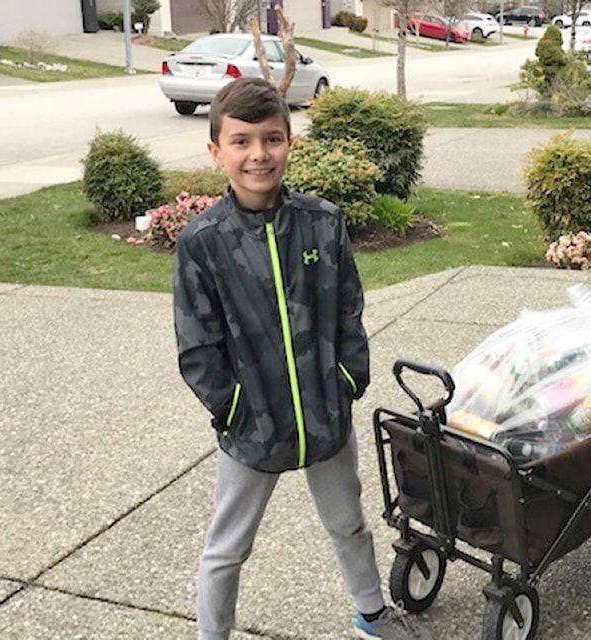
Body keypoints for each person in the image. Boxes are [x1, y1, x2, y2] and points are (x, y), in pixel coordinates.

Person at [173, 77, 435, 640]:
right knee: (228, 545)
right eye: (241, 142)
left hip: (324, 413)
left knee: (348, 521)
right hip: (252, 425)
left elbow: (348, 308)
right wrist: (234, 408)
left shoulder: (322, 222)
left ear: (290, 142)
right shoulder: (204, 241)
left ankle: (370, 614)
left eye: (272, 139)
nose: (258, 154)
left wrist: (346, 379)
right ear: (216, 150)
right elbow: (197, 346)